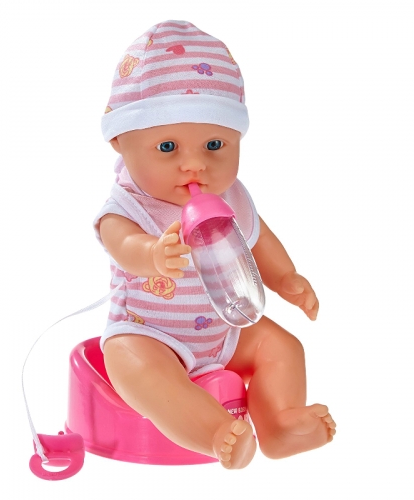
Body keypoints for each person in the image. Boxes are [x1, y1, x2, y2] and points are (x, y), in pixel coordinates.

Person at [94, 20, 336, 469]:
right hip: (149, 333)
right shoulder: (129, 205)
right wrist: (152, 254)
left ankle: (279, 425)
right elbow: (122, 243)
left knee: (282, 347)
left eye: (214, 144)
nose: (194, 164)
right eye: (167, 147)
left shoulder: (231, 198)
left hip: (224, 331)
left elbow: (259, 239)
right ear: (120, 142)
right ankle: (214, 433)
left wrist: (286, 277)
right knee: (139, 371)